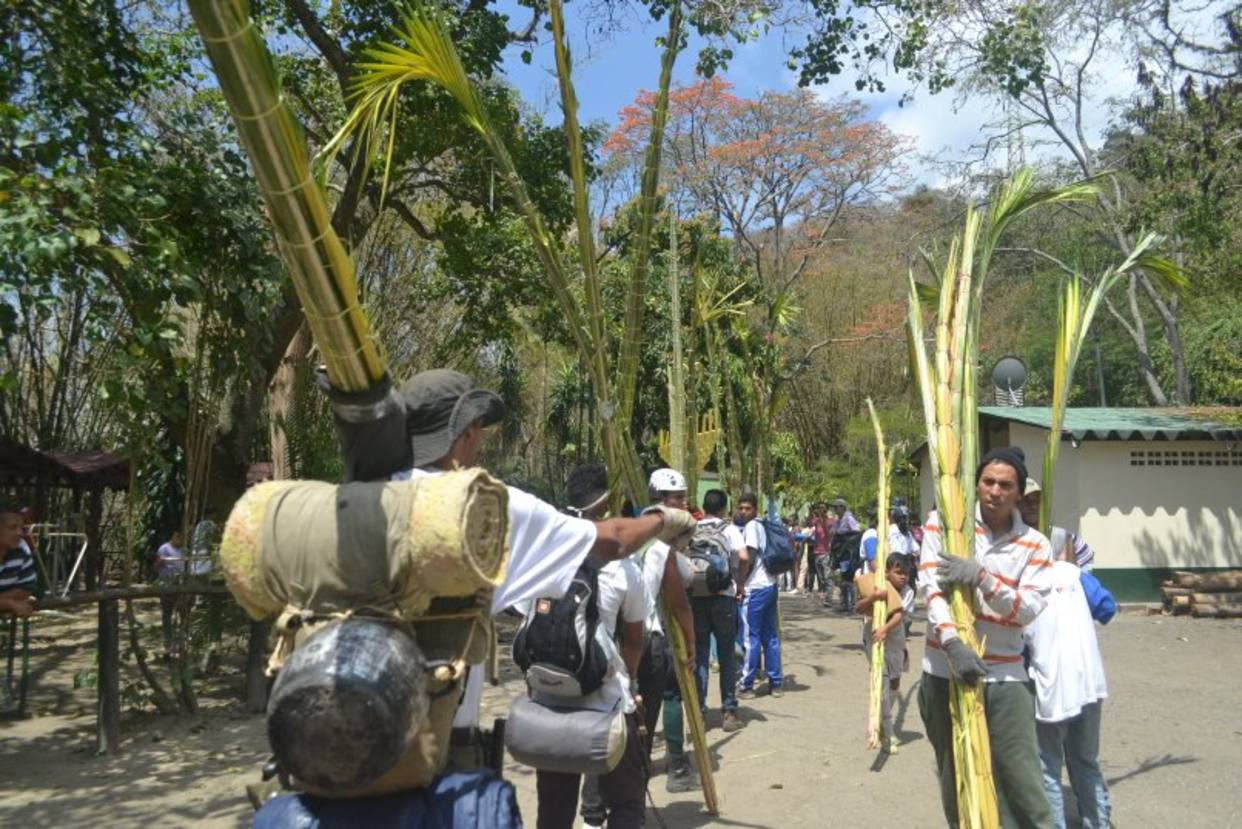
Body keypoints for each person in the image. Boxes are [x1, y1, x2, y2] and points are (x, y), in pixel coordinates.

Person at [392, 371, 698, 764]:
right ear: (467, 432)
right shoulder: (489, 504)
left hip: (338, 742)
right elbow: (613, 540)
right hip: (436, 750)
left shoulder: (357, 496)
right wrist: (664, 520)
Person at [917, 446, 1055, 829]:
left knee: (1021, 782)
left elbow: (1026, 610)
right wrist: (952, 643)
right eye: (988, 482)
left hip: (1005, 674)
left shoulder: (1036, 545)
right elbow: (931, 588)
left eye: (1005, 485)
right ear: (976, 485)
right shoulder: (944, 526)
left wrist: (982, 578)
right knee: (955, 775)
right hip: (944, 669)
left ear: (1019, 492)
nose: (995, 491)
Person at [534, 463, 649, 829]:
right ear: (604, 507)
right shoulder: (622, 568)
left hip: (549, 707)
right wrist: (629, 680)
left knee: (553, 813)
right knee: (627, 805)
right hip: (608, 706)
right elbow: (635, 637)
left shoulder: (541, 561)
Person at [1024, 526, 1113, 829]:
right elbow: (1107, 608)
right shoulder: (1079, 578)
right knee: (1086, 761)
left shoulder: (1028, 579)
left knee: (1047, 768)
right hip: (1089, 685)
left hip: (1051, 687)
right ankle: (1098, 822)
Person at [633, 468, 699, 794]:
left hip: (620, 639)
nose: (684, 504)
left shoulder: (627, 533)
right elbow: (680, 602)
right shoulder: (661, 547)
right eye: (678, 499)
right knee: (669, 693)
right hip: (650, 637)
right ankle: (676, 764)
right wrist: (691, 641)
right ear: (661, 502)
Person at [692, 489, 744, 733]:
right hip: (723, 597)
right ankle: (729, 712)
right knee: (726, 655)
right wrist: (739, 583)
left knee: (700, 655)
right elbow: (743, 557)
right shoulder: (730, 529)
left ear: (704, 506)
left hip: (696, 597)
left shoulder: (692, 528)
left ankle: (699, 713)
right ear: (724, 507)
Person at [855, 553, 912, 754]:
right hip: (874, 636)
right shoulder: (875, 585)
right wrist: (874, 597)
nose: (902, 577)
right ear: (887, 573)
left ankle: (881, 716)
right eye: (898, 573)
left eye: (906, 574)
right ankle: (887, 732)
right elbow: (859, 608)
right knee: (882, 681)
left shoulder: (907, 592)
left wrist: (885, 629)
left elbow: (899, 614)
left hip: (895, 638)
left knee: (894, 682)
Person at [736, 492, 782, 699]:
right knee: (770, 636)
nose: (744, 512)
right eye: (741, 508)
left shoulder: (753, 527)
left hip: (755, 588)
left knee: (751, 637)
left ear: (755, 509)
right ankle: (776, 682)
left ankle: (747, 684)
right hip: (770, 585)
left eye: (747, 508)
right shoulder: (764, 525)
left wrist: (741, 583)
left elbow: (750, 557)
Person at [1019, 480, 1095, 570]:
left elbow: (1085, 565)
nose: (1033, 506)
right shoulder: (1007, 539)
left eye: (1037, 501)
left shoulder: (1061, 537)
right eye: (1026, 501)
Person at [0, 503, 36, 619]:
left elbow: (25, 590)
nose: (19, 533)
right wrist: (9, 603)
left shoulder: (22, 551)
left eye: (21, 528)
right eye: (12, 527)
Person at [155, 529, 186, 654]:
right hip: (167, 584)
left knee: (183, 613)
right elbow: (156, 567)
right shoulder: (164, 549)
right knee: (167, 614)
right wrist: (161, 562)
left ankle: (181, 642)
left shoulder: (184, 550)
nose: (180, 539)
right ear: (173, 536)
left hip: (181, 584)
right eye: (178, 536)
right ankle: (168, 643)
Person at [829, 498, 862, 611]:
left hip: (847, 552)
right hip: (839, 552)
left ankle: (852, 604)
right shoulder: (837, 520)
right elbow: (832, 532)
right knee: (840, 578)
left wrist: (847, 539)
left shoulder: (849, 518)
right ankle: (844, 603)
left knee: (848, 578)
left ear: (843, 507)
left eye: (837, 507)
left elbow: (857, 531)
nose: (835, 509)